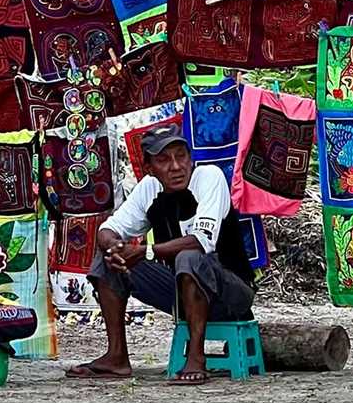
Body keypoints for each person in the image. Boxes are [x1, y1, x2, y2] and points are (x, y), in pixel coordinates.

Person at [67, 125, 255, 384]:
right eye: (164, 160)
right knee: (107, 258)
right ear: (149, 168)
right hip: (183, 293)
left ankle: (196, 358)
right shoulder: (149, 189)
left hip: (231, 293)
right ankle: (117, 357)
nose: (176, 166)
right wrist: (115, 249)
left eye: (181, 156)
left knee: (188, 257)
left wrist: (146, 252)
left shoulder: (208, 177)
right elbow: (108, 229)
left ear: (191, 158)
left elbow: (201, 241)